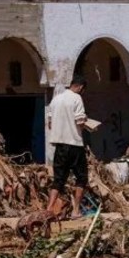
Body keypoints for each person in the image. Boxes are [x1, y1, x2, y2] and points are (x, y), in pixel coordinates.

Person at [46, 74, 89, 219]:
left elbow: (50, 123)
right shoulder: (77, 98)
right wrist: (87, 124)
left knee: (58, 179)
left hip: (59, 145)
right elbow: (80, 122)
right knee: (81, 178)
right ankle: (75, 211)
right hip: (74, 144)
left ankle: (49, 210)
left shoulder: (56, 99)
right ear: (81, 87)